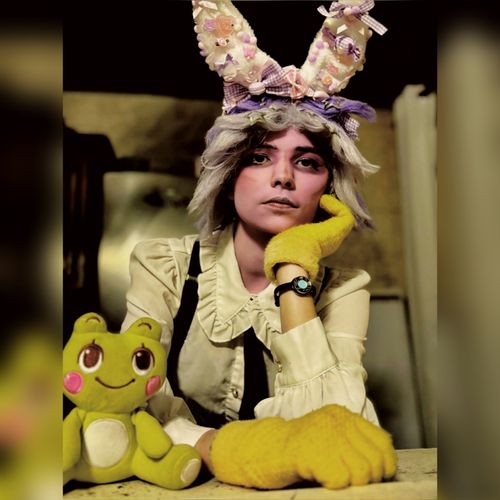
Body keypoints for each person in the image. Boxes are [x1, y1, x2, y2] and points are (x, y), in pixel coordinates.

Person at [121, 0, 396, 490]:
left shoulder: (345, 291)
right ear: (229, 176)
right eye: (260, 157)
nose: (284, 177)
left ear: (329, 188)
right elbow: (129, 398)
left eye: (307, 162)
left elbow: (343, 427)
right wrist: (221, 449)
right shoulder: (164, 267)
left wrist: (292, 270)